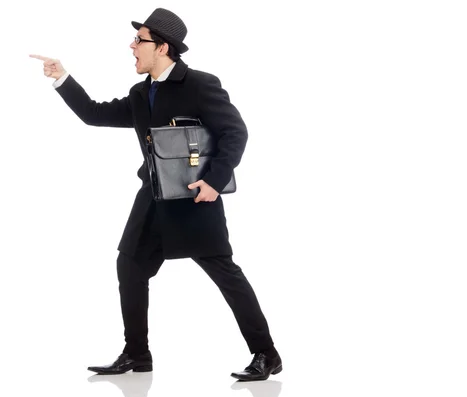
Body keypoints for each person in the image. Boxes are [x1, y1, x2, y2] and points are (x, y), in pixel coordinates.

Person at [30, 8, 282, 381]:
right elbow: (93, 114)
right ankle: (136, 354)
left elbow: (235, 133)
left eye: (139, 39)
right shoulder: (140, 92)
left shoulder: (199, 84)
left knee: (225, 273)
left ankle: (266, 353)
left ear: (162, 47)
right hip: (152, 198)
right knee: (129, 266)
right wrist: (62, 78)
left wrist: (214, 181)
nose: (132, 46)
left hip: (195, 199)